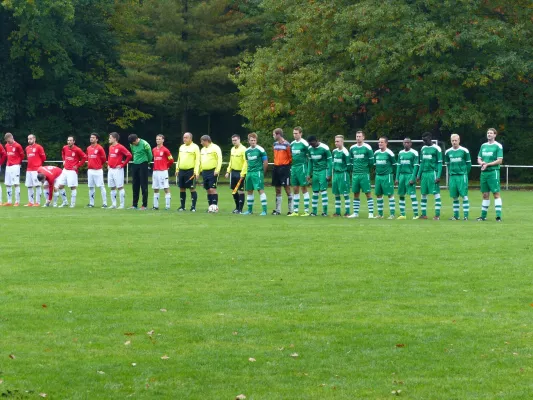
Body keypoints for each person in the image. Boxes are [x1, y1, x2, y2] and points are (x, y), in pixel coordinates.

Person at [477, 128, 503, 222]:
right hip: (484, 173)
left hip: (493, 172)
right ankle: (483, 216)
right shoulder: (483, 146)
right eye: (488, 133)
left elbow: (500, 160)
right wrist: (482, 163)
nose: (489, 134)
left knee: (496, 194)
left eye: (491, 133)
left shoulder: (498, 146)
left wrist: (488, 164)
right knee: (485, 195)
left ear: (495, 135)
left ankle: (498, 216)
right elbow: (479, 158)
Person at [348, 131, 375, 219]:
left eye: (360, 136)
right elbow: (351, 161)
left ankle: (371, 213)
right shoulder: (352, 148)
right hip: (355, 174)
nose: (358, 138)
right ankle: (355, 213)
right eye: (357, 136)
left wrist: (366, 169)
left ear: (363, 137)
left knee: (368, 193)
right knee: (356, 193)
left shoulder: (367, 147)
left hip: (364, 173)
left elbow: (371, 162)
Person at [417, 132, 442, 220]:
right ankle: (424, 214)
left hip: (433, 173)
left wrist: (438, 176)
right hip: (424, 174)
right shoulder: (423, 148)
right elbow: (421, 163)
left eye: (426, 139)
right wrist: (418, 175)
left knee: (436, 193)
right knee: (423, 193)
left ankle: (437, 215)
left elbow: (439, 163)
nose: (424, 141)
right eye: (423, 140)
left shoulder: (437, 148)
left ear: (430, 138)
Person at [445, 134, 471, 221]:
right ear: (450, 141)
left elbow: (468, 164)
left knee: (464, 195)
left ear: (459, 140)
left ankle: (466, 216)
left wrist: (464, 173)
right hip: (452, 177)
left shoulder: (464, 151)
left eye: (456, 140)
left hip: (462, 176)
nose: (454, 142)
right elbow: (448, 164)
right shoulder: (448, 152)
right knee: (454, 196)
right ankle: (456, 216)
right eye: (452, 141)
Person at [242, 132, 268, 215]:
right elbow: (247, 162)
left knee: (260, 190)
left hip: (258, 172)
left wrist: (262, 172)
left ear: (256, 140)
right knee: (249, 190)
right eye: (251, 140)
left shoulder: (260, 150)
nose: (253, 142)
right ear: (248, 141)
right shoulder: (247, 151)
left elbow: (265, 162)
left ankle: (264, 210)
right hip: (249, 173)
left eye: (254, 140)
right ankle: (249, 210)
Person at [58, 136, 87, 208]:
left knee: (72, 187)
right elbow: (63, 153)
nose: (69, 142)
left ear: (74, 142)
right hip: (65, 170)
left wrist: (78, 165)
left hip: (72, 171)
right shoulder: (65, 147)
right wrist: (64, 160)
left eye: (71, 140)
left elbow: (85, 157)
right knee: (60, 186)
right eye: (68, 140)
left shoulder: (77, 149)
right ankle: (65, 202)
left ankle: (72, 204)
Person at [288, 126, 310, 216]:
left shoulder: (305, 144)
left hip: (302, 167)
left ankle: (306, 211)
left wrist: (308, 171)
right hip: (294, 168)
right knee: (295, 188)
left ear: (301, 133)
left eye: (296, 133)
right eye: (294, 133)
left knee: (304, 187)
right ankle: (295, 211)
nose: (295, 135)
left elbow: (309, 157)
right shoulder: (292, 144)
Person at [307, 136, 332, 216]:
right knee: (315, 192)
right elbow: (310, 162)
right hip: (315, 172)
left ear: (317, 140)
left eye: (313, 143)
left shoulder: (325, 148)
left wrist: (329, 174)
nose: (312, 145)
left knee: (323, 191)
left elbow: (329, 161)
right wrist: (308, 174)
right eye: (310, 144)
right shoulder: (310, 148)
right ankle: (314, 212)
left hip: (323, 171)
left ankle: (325, 212)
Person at [395, 138, 419, 219]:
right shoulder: (400, 153)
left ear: (410, 144)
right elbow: (398, 166)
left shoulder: (414, 153)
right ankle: (403, 215)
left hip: (409, 175)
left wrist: (413, 178)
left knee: (412, 195)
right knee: (401, 195)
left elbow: (416, 166)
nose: (406, 144)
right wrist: (397, 178)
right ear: (403, 143)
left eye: (408, 142)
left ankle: (416, 215)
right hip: (402, 176)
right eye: (405, 142)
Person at [175, 132, 200, 212]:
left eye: (186, 137)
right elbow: (179, 159)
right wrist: (177, 169)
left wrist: (196, 171)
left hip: (191, 171)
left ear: (190, 138)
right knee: (182, 188)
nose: (184, 139)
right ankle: (182, 206)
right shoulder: (181, 147)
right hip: (182, 170)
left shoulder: (195, 147)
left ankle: (193, 207)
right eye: (184, 137)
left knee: (192, 188)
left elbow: (197, 160)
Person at [374, 136, 396, 219]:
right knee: (378, 195)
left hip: (387, 176)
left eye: (382, 142)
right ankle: (380, 214)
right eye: (379, 142)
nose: (380, 143)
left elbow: (394, 165)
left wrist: (392, 175)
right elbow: (374, 164)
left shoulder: (389, 153)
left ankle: (392, 214)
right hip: (378, 176)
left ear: (386, 143)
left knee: (390, 194)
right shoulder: (376, 153)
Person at [107, 132, 132, 209]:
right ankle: (114, 204)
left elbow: (129, 155)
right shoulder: (110, 147)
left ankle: (121, 205)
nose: (109, 139)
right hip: (111, 169)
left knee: (120, 187)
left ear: (114, 138)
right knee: (112, 187)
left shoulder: (120, 147)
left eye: (110, 138)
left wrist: (122, 165)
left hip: (118, 170)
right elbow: (109, 156)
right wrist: (108, 164)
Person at [271, 128, 293, 215]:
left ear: (278, 135)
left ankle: (291, 210)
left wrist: (287, 166)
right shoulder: (275, 144)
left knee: (287, 187)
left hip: (284, 168)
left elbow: (290, 157)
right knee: (277, 188)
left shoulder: (287, 144)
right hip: (276, 167)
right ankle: (278, 210)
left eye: (274, 134)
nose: (273, 136)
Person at [128, 134, 152, 210]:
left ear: (136, 139)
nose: (133, 144)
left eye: (133, 143)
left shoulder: (145, 144)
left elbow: (150, 154)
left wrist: (147, 162)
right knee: (135, 185)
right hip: (135, 164)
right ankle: (134, 204)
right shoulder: (132, 145)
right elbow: (133, 152)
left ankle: (144, 205)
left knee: (143, 185)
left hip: (143, 164)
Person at [225, 134, 247, 213]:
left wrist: (243, 172)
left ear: (239, 140)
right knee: (234, 191)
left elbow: (245, 162)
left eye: (235, 140)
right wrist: (228, 171)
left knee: (240, 191)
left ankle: (240, 209)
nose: (234, 142)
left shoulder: (243, 149)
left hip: (240, 172)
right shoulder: (232, 149)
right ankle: (237, 207)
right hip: (233, 172)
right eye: (233, 140)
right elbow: (231, 161)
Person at [199, 135, 223, 211]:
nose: (201, 143)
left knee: (212, 189)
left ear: (206, 141)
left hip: (213, 171)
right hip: (204, 172)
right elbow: (200, 160)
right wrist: (200, 170)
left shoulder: (215, 148)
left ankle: (215, 207)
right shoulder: (202, 150)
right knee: (208, 189)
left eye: (202, 141)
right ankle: (210, 207)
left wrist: (217, 170)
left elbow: (219, 159)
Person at [152, 134, 174, 210]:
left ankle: (167, 206)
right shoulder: (154, 149)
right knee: (155, 188)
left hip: (163, 171)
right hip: (155, 171)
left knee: (165, 187)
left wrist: (166, 166)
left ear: (163, 140)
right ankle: (155, 206)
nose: (158, 140)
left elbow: (171, 160)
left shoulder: (165, 150)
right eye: (157, 139)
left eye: (159, 139)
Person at [2, 132, 25, 206]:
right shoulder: (6, 145)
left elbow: (22, 155)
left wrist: (18, 163)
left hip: (15, 166)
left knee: (16, 183)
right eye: (7, 141)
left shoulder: (18, 146)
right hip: (8, 166)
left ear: (12, 138)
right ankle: (9, 201)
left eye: (8, 140)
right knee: (8, 184)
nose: (8, 142)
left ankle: (17, 201)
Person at [24, 134, 46, 207]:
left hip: (36, 169)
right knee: (29, 186)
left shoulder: (39, 147)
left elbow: (43, 158)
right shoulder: (27, 148)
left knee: (37, 185)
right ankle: (30, 202)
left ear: (34, 139)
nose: (29, 140)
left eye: (30, 138)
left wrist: (38, 165)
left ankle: (38, 202)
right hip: (29, 169)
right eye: (28, 139)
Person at [86, 133, 107, 208]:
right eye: (91, 137)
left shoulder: (100, 148)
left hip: (98, 170)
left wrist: (98, 165)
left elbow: (104, 159)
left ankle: (105, 203)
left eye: (93, 137)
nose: (91, 138)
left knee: (101, 186)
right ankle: (91, 203)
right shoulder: (88, 148)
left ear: (97, 139)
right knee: (91, 187)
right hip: (90, 170)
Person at [331, 135, 351, 217]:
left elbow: (349, 165)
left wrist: (344, 171)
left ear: (342, 142)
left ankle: (347, 212)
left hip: (343, 174)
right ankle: (338, 212)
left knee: (345, 194)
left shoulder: (345, 152)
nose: (336, 143)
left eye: (338, 141)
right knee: (336, 193)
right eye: (335, 141)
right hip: (336, 174)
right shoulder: (334, 151)